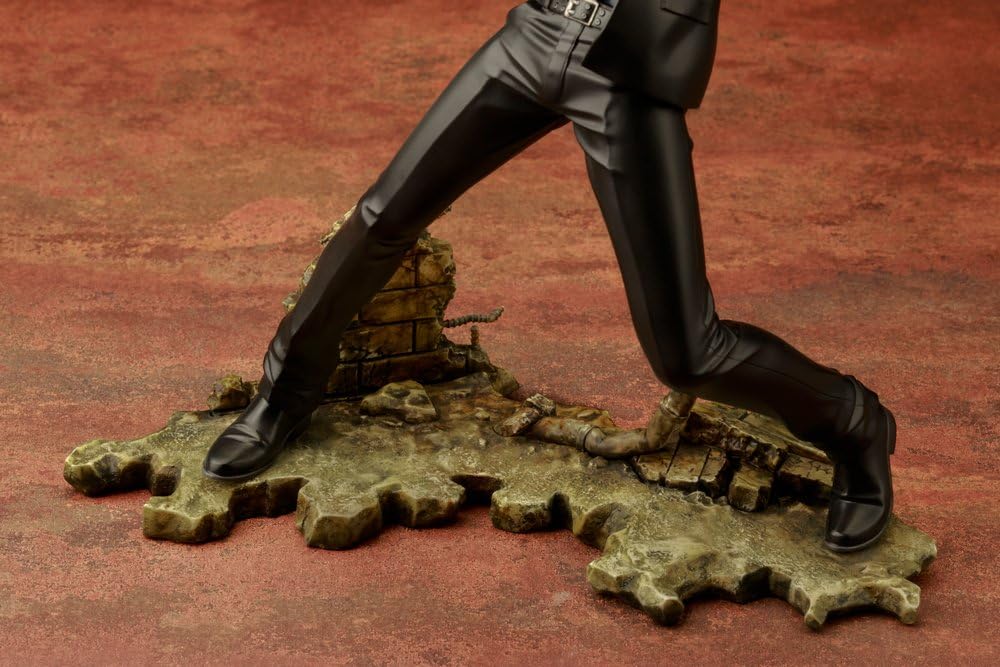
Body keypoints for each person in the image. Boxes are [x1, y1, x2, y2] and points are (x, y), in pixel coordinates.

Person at [202, 0, 896, 553]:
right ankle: (285, 393)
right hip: (538, 33)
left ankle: (856, 424)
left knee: (689, 353)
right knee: (384, 216)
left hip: (631, 70)